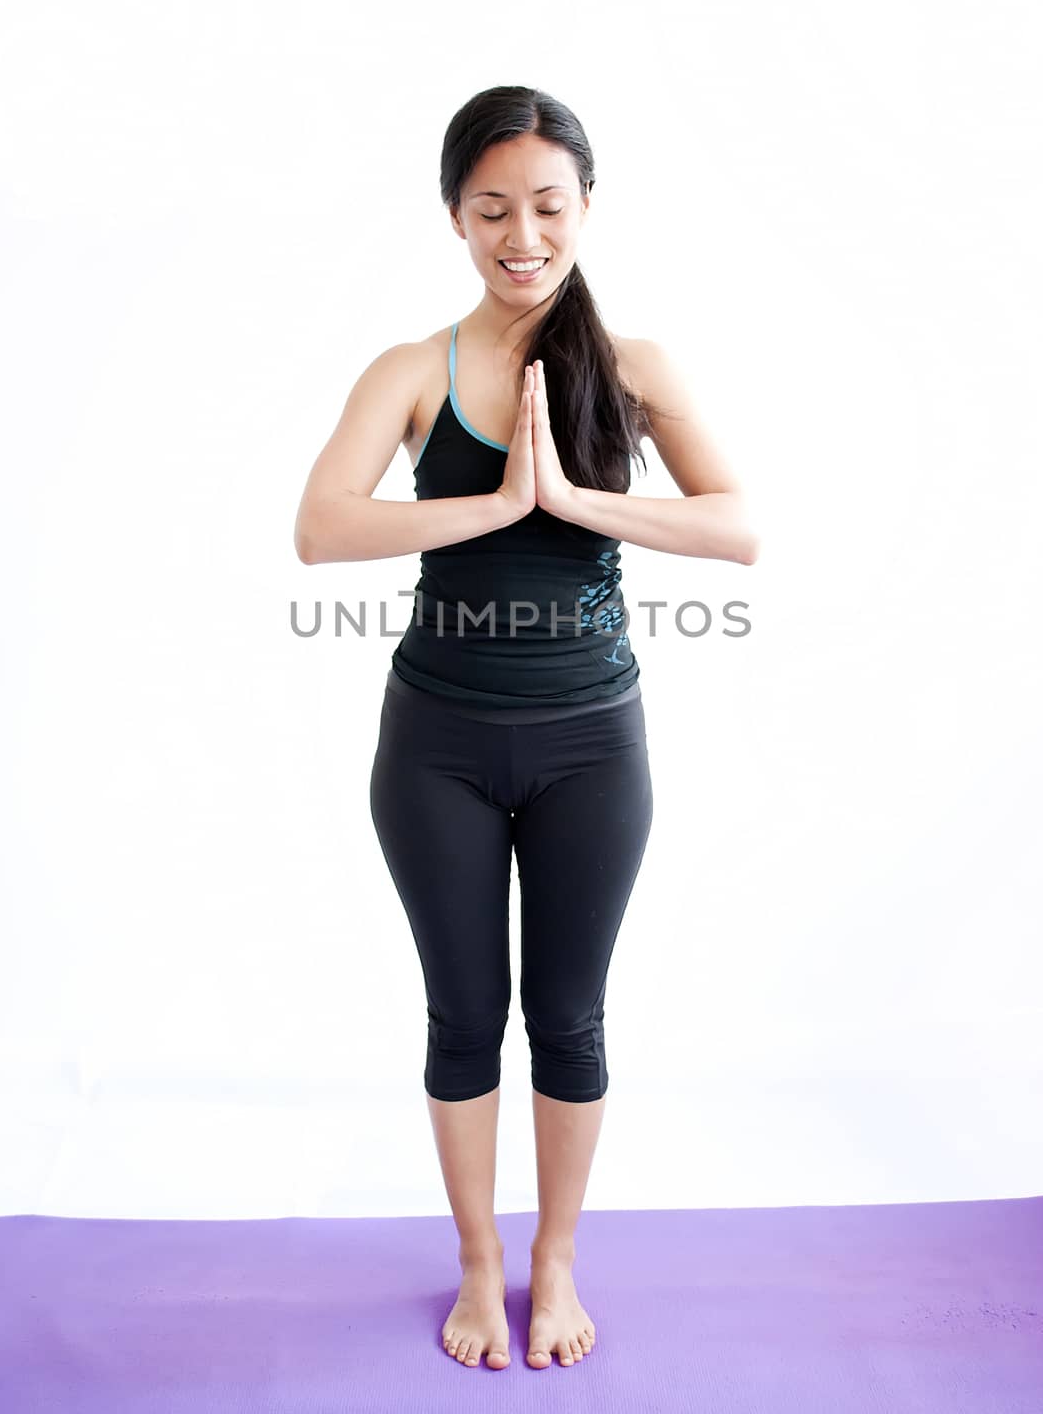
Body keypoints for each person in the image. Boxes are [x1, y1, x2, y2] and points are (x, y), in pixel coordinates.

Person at [293, 85, 759, 1373]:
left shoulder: (631, 368)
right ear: (455, 216)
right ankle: (480, 1266)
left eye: (547, 206)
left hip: (591, 747)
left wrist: (574, 502)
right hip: (435, 746)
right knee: (461, 1016)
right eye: (492, 208)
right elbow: (322, 528)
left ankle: (554, 1258)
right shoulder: (412, 371)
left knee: (570, 1014)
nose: (522, 234)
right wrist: (494, 508)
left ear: (586, 209)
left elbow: (738, 528)